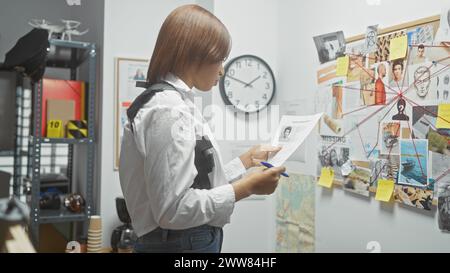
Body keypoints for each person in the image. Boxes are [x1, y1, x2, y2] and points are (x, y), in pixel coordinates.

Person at [118, 5, 285, 253]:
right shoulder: (168, 109)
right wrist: (247, 187)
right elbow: (173, 210)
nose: (222, 70)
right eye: (220, 59)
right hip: (181, 243)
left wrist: (245, 161)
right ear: (193, 56)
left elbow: (197, 183)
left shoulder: (172, 101)